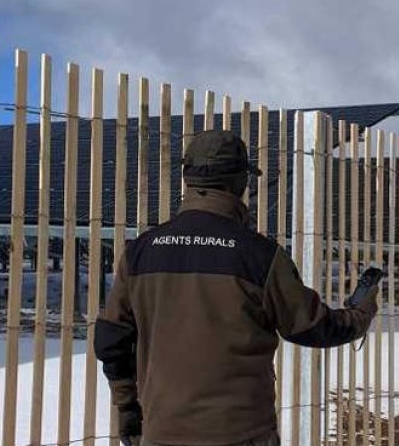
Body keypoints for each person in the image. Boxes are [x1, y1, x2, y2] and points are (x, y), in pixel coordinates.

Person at [95, 129, 380, 446]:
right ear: (240, 183)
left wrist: (128, 411)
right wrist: (361, 311)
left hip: (162, 434)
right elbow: (313, 327)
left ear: (187, 178)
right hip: (242, 434)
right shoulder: (259, 256)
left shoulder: (140, 252)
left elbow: (112, 340)